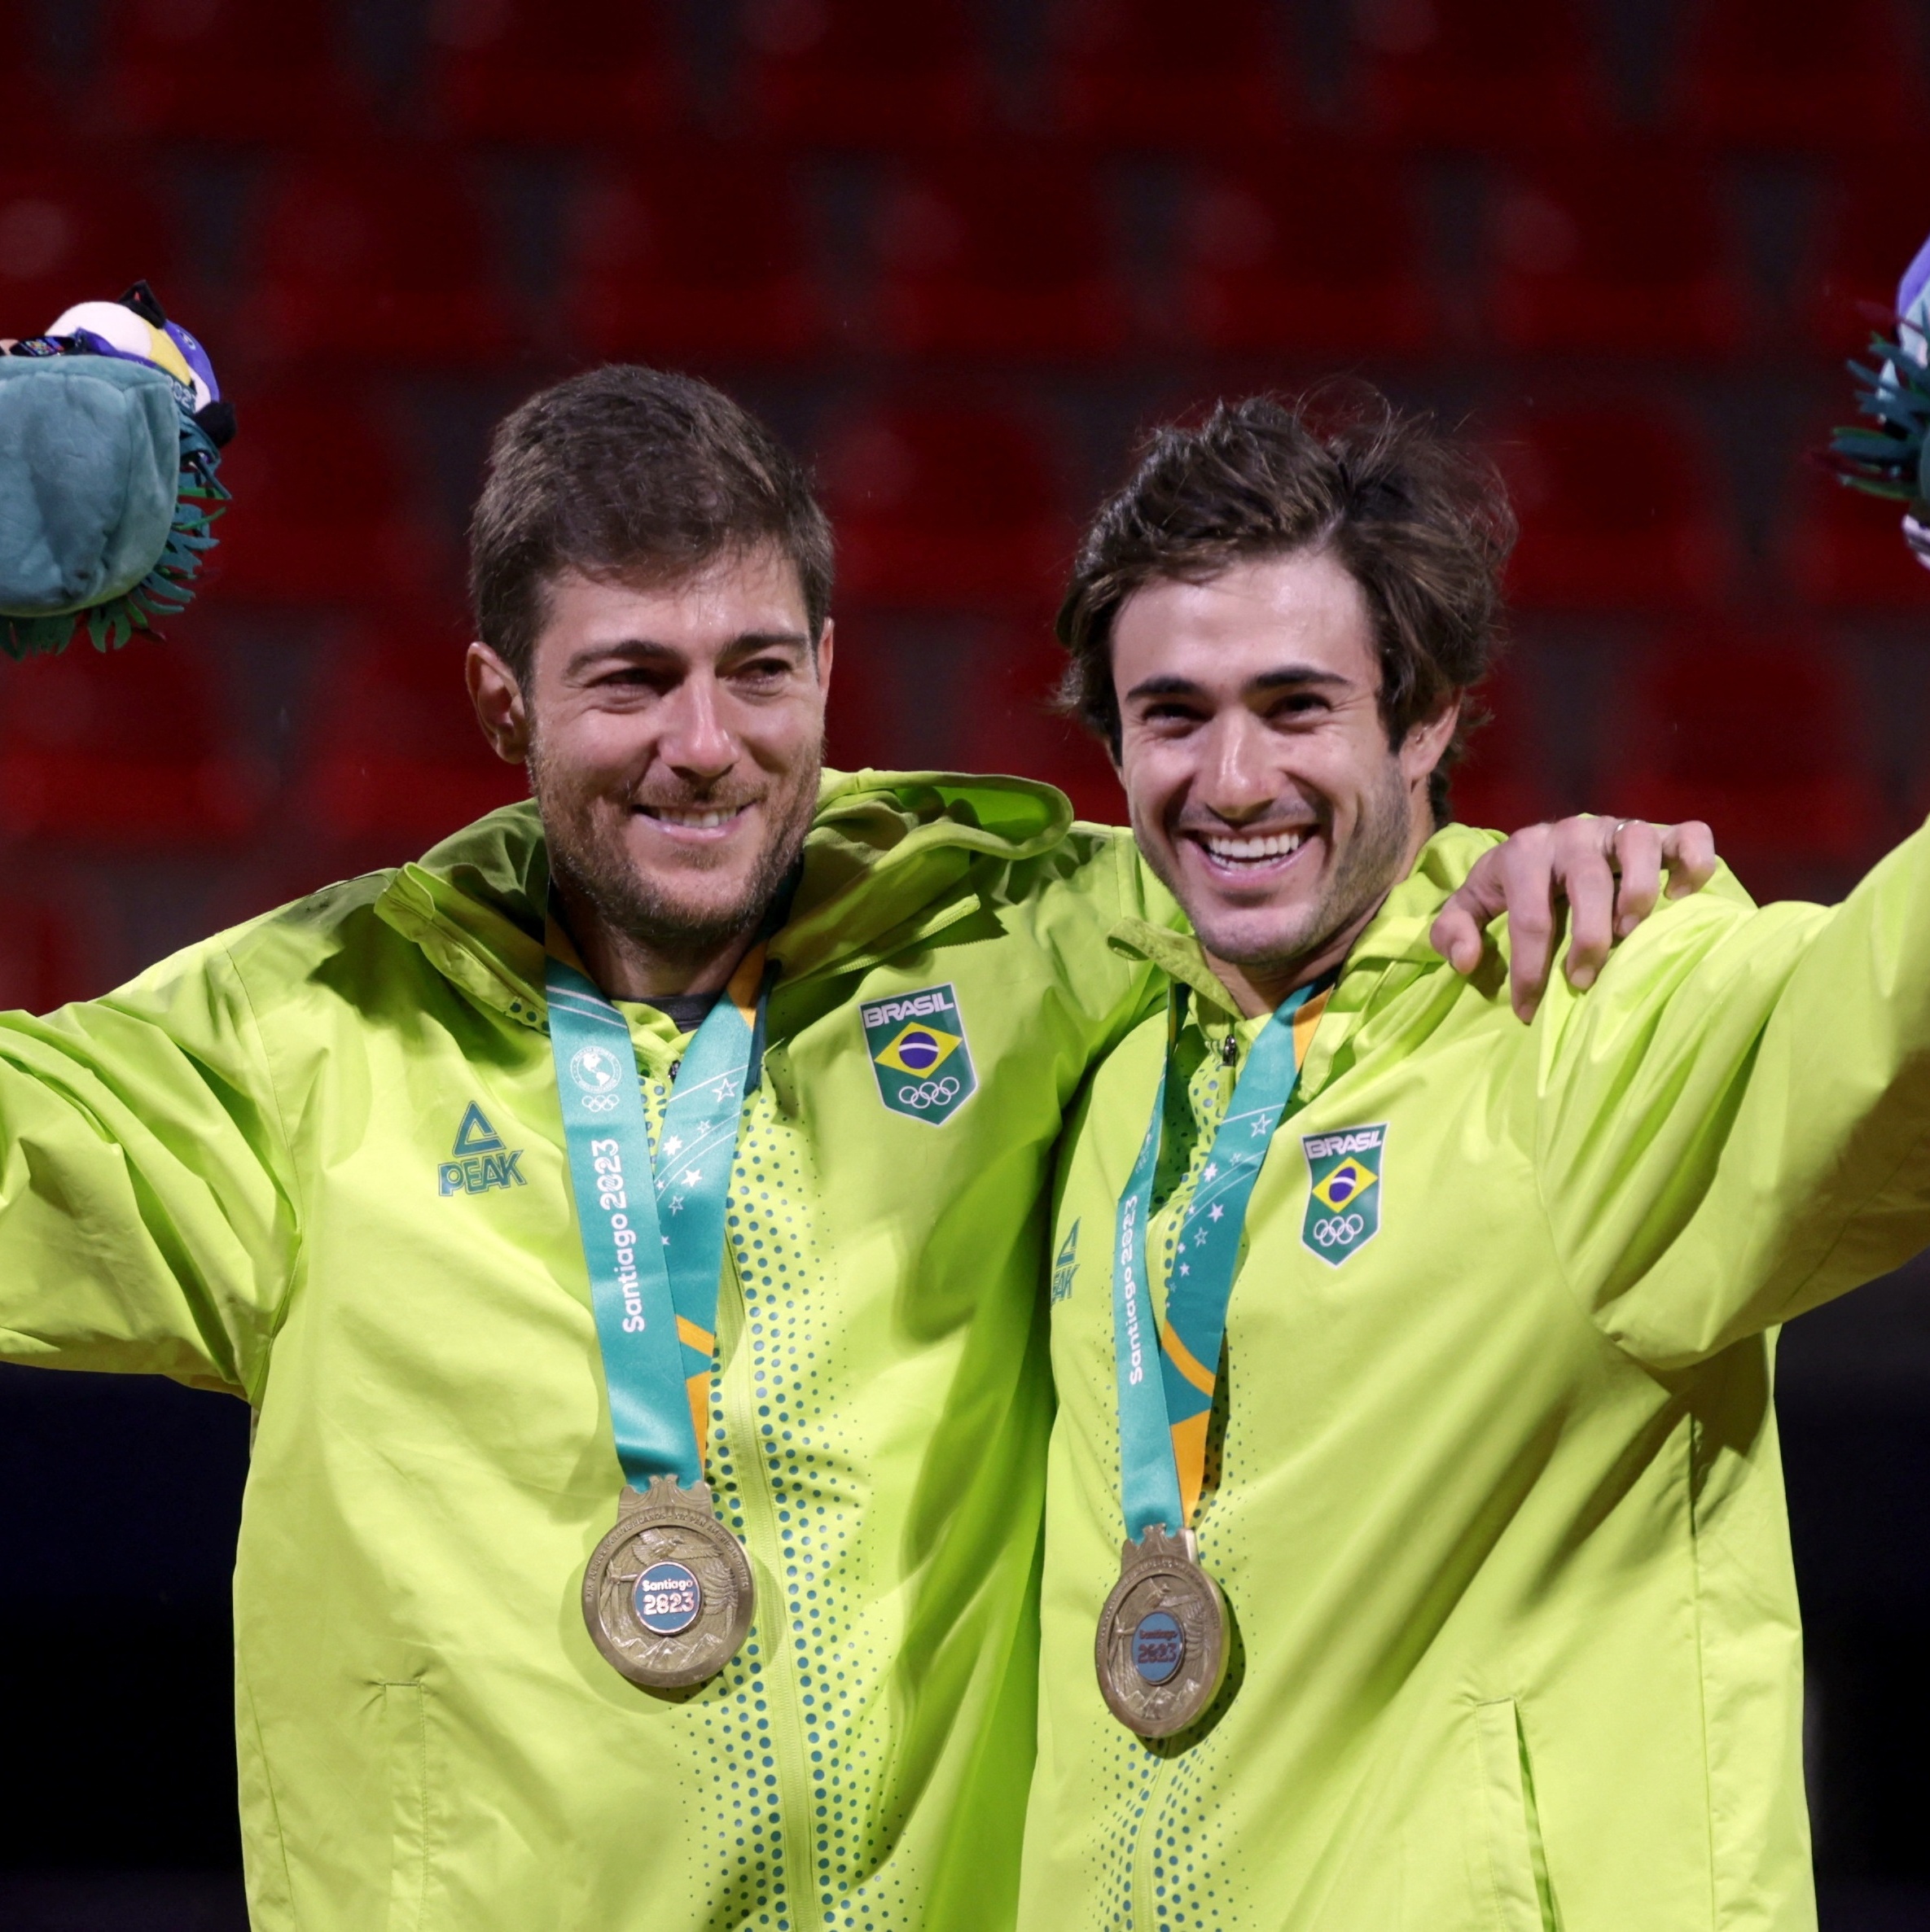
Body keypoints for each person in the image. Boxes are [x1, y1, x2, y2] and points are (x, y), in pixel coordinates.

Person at [0, 360, 1701, 1932]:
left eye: (758, 668)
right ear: (501, 701)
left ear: (826, 664)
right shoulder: (303, 1038)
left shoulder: (1025, 940)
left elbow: (1304, 859)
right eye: (631, 680)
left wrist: (1540, 856)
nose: (705, 744)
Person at [1015, 388, 1930, 1932]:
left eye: (1297, 706)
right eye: (1174, 713)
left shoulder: (1586, 1003)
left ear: (1425, 713)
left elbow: (1887, 1011)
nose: (1230, 780)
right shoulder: (1105, 1071)